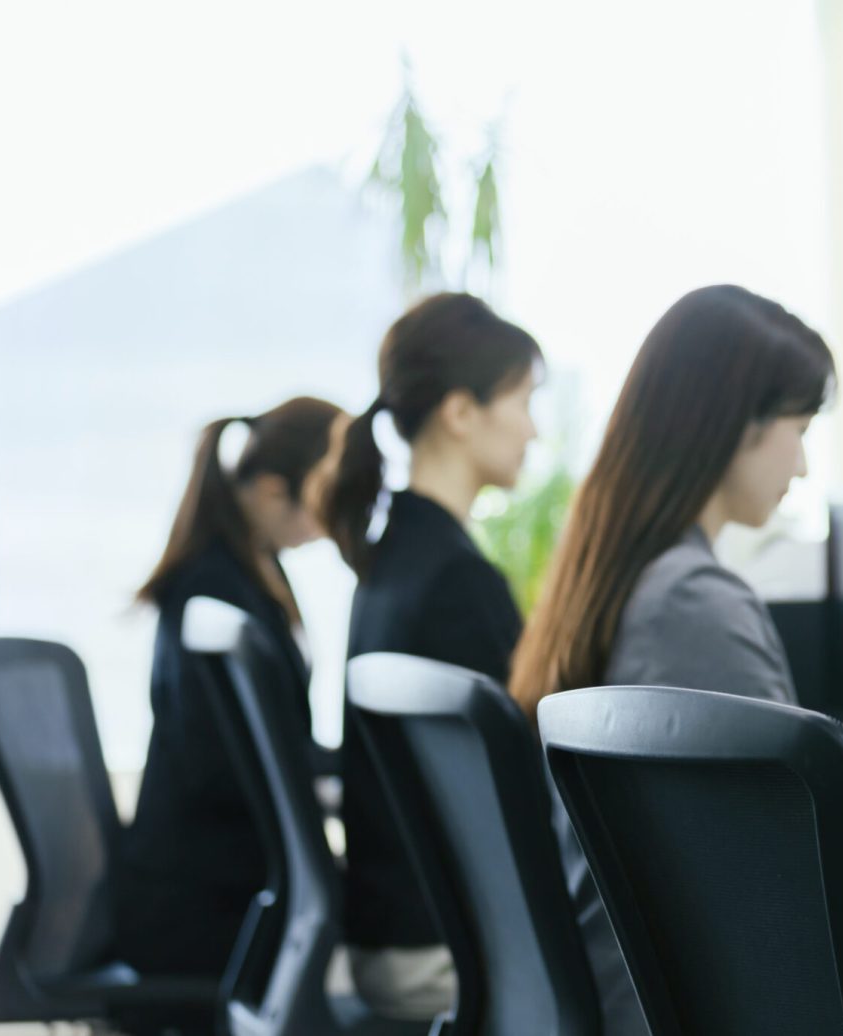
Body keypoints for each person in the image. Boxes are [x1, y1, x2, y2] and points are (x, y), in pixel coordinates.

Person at [510, 284, 834, 1034]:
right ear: (735, 427)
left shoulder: (613, 575)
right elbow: (792, 878)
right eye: (801, 427)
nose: (805, 465)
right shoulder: (695, 605)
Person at [321, 292, 541, 1021]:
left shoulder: (393, 555)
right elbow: (531, 787)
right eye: (522, 399)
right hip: (439, 952)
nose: (533, 429)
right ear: (460, 412)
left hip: (395, 934)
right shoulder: (457, 580)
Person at [117, 396, 344, 1035]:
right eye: (328, 492)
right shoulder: (211, 589)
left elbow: (268, 744)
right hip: (197, 906)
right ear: (274, 490)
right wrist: (328, 782)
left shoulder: (251, 571)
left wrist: (328, 772)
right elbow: (224, 762)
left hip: (218, 885)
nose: (334, 517)